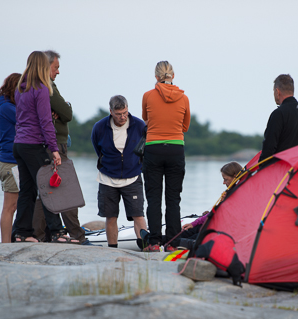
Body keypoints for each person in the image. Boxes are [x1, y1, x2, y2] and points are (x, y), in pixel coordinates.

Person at [11, 51, 72, 244]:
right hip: (33, 145)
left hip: (19, 145)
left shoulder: (20, 88)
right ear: (43, 67)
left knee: (27, 190)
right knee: (47, 188)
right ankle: (57, 232)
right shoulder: (42, 88)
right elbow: (45, 121)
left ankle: (21, 233)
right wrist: (54, 149)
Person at [31, 51, 85, 243]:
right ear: (46, 68)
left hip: (44, 145)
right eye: (56, 67)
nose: (58, 72)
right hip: (55, 145)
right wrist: (64, 107)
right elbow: (67, 113)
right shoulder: (48, 87)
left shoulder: (34, 87)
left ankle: (37, 235)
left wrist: (62, 108)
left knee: (43, 191)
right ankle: (76, 235)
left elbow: (62, 110)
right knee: (66, 189)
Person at [141, 60, 190, 250]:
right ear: (173, 76)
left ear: (156, 77)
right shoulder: (184, 98)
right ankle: (171, 244)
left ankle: (154, 243)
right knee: (173, 198)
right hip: (176, 149)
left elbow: (146, 118)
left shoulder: (147, 96)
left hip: (153, 148)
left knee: (154, 199)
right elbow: (185, 127)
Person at [91, 95, 148, 249]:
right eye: (118, 114)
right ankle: (112, 249)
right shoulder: (99, 127)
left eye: (125, 113)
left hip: (133, 176)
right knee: (111, 217)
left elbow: (144, 148)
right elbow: (97, 148)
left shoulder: (139, 125)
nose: (123, 117)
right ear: (110, 111)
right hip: (107, 178)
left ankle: (145, 246)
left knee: (138, 215)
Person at [174, 161, 243, 250]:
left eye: (225, 179)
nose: (223, 182)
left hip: (221, 230)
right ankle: (164, 240)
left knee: (194, 235)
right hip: (213, 224)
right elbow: (213, 214)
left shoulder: (238, 194)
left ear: (235, 176)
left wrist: (224, 203)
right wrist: (193, 224)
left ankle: (171, 243)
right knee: (190, 230)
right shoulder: (231, 191)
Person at [259, 74, 298, 166]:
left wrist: (261, 169)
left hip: (279, 171)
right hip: (295, 170)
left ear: (277, 91)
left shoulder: (278, 114)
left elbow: (269, 147)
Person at [0, 73, 21, 243]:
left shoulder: (6, 106)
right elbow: (29, 122)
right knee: (10, 207)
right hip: (10, 161)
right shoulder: (8, 108)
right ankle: (5, 245)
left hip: (9, 160)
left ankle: (12, 239)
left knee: (14, 205)